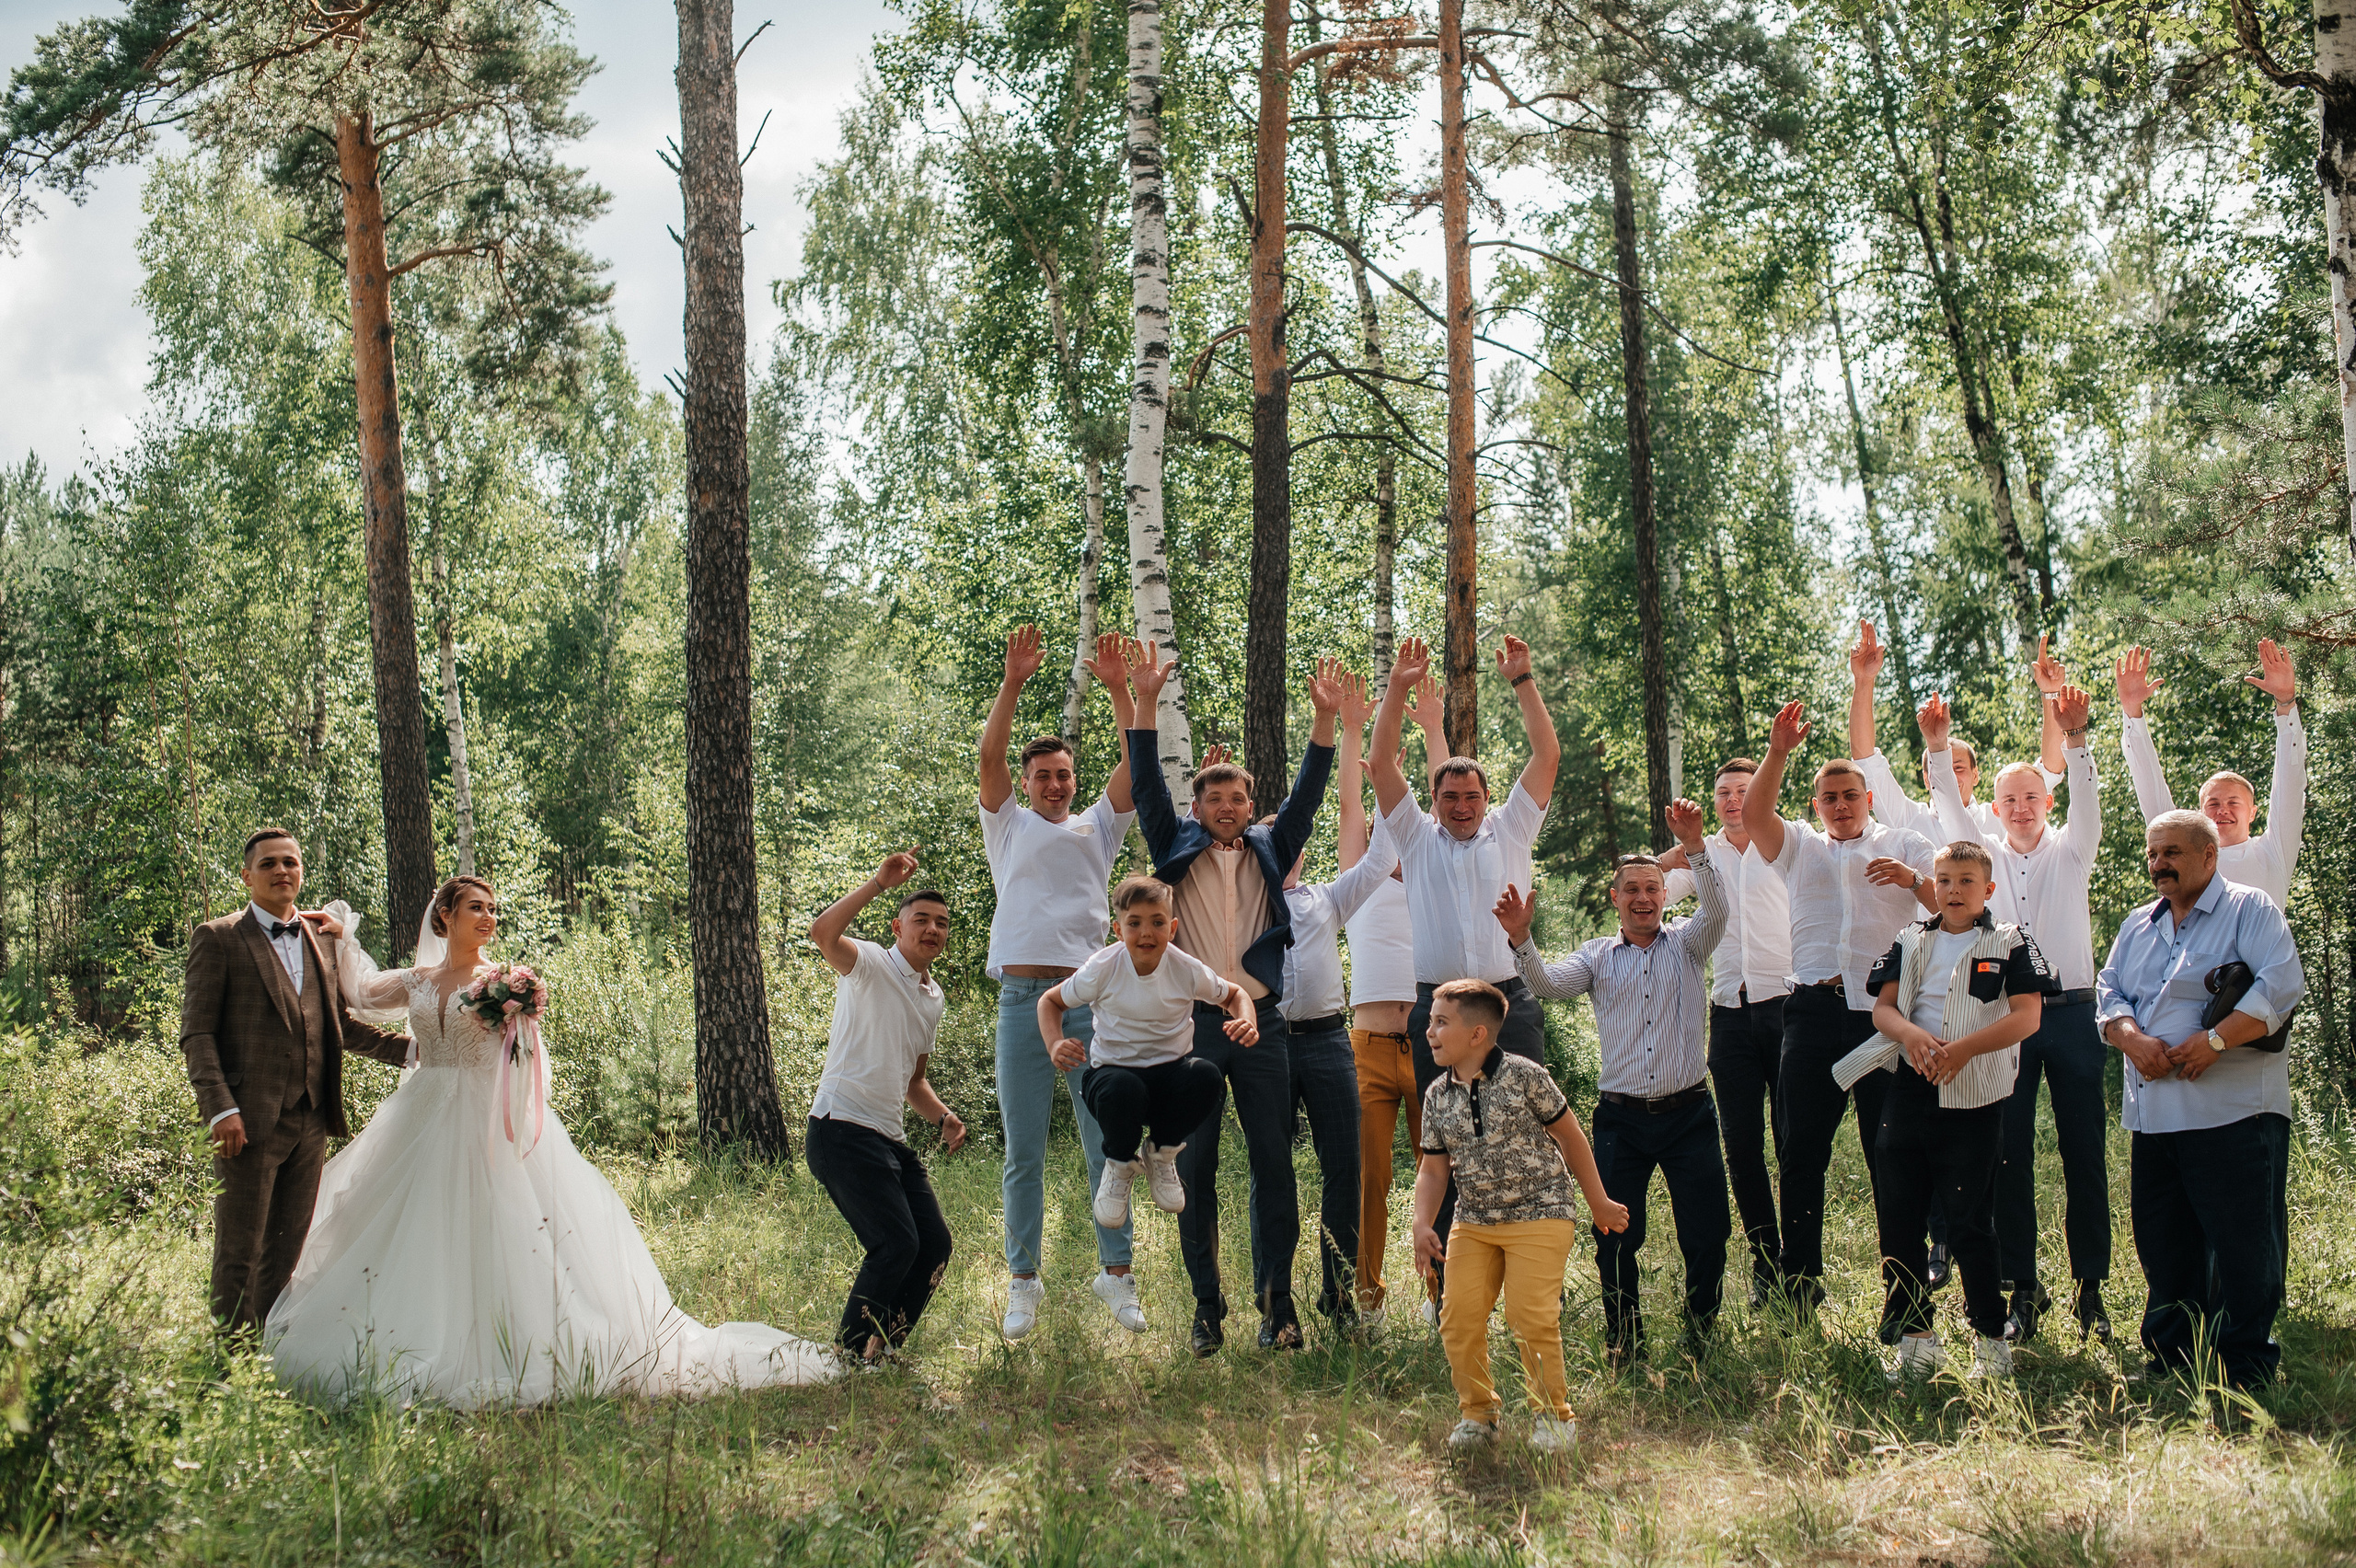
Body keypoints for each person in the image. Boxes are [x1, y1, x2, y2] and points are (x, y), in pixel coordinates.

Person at [265, 878, 837, 1405]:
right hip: (422, 1116)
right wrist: (342, 936)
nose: (488, 917)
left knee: (504, 1228)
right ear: (445, 916)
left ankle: (509, 1343)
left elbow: (526, 1066)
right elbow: (361, 992)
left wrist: (513, 1094)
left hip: (489, 1120)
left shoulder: (505, 983)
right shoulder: (416, 981)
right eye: (475, 909)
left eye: (492, 909)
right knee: (416, 1226)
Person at [1124, 641, 1340, 1355]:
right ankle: (1205, 1307)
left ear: (1252, 808)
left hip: (1262, 1025)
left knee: (1274, 1164)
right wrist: (1146, 703)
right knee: (1195, 1168)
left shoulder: (1271, 850)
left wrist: (1325, 723)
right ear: (1199, 807)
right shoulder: (1173, 843)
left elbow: (1307, 795)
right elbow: (1148, 786)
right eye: (1213, 799)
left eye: (1237, 799)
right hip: (1189, 1029)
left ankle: (1278, 1307)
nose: (1225, 808)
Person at [1368, 634, 1564, 1301]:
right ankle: (1447, 1294)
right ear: (1435, 797)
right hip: (1441, 1009)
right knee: (1444, 1146)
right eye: (1448, 795)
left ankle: (1534, 1286)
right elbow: (1377, 763)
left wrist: (1524, 680)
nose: (1460, 805)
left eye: (1470, 794)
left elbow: (1547, 754)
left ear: (1485, 797)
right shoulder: (1415, 840)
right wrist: (1397, 688)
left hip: (1510, 1003)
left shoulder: (1512, 829)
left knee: (1526, 1134)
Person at [1499, 799, 1729, 1365]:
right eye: (1633, 889)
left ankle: (1700, 1335)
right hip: (1621, 1120)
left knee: (1707, 1233)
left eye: (1653, 888)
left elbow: (1719, 911)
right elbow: (1549, 986)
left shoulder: (1688, 944)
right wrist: (1522, 939)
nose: (1645, 898)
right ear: (1616, 898)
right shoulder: (1598, 956)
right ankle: (1625, 1341)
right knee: (1615, 1236)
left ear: (1665, 894)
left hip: (1690, 1114)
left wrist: (1696, 848)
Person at [1917, 684, 2111, 1343]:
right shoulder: (1986, 858)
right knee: (2008, 1156)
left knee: (2085, 1151)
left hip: (2075, 1017)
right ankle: (2023, 1286)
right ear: (1994, 811)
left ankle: (2092, 1289)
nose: (2022, 808)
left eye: (2032, 797)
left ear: (2047, 802)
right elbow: (1950, 810)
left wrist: (2077, 740)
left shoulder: (2072, 849)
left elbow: (2087, 804)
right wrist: (1938, 750)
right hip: (2010, 1022)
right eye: (2009, 800)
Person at [1741, 700, 1939, 1308]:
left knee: (1893, 1153)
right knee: (1801, 1151)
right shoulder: (1798, 847)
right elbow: (1753, 814)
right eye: (1829, 797)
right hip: (1813, 1014)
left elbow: (1952, 907)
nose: (1841, 805)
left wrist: (1911, 880)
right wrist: (1777, 751)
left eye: (1850, 794)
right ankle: (1800, 1285)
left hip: (1885, 1019)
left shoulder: (1907, 843)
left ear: (1868, 798)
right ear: (1815, 806)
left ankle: (1904, 1294)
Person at [2098, 810, 2304, 1389]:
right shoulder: (2138, 924)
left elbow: (2281, 983)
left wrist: (2215, 1040)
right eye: (2153, 853)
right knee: (2164, 1245)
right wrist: (2130, 1037)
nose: (2158, 864)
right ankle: (2172, 1361)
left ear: (2209, 856)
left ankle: (2246, 1368)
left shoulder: (2250, 908)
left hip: (2234, 1108)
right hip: (2155, 1111)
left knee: (2243, 1246)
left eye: (2173, 853)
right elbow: (2107, 988)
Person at [178, 827, 413, 1335]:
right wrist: (221, 1109)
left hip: (311, 1118)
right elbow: (197, 1035)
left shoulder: (321, 939)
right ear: (246, 876)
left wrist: (415, 1051)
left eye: (290, 862)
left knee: (286, 1246)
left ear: (301, 871)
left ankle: (265, 1350)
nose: (282, 871)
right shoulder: (217, 938)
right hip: (247, 1120)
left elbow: (340, 1025)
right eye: (269, 864)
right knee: (239, 1248)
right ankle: (229, 1363)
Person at [976, 627, 1143, 1340]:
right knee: (1024, 1153)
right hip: (1021, 1006)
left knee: (1108, 1145)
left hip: (1086, 1003)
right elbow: (988, 756)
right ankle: (1023, 1283)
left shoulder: (1098, 830)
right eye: (1041, 774)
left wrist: (1117, 690)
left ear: (1074, 781)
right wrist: (1012, 682)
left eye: (1063, 775)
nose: (1053, 784)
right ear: (1025, 781)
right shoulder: (1006, 825)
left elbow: (1137, 767)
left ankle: (1117, 1276)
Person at [1854, 841, 2052, 1383]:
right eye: (1944, 880)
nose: (1953, 891)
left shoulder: (2009, 942)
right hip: (1910, 1089)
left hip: (1975, 1095)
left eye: (1966, 881)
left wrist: (1962, 1050)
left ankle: (1990, 1338)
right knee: (1898, 1217)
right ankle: (1918, 1341)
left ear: (1988, 889)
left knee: (1970, 1223)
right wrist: (1913, 1036)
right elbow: (1884, 1009)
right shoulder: (1911, 938)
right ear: (1933, 886)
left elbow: (2028, 1016)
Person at [1412, 980, 1630, 1453]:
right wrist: (1423, 1224)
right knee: (1458, 1316)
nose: (1429, 1031)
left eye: (1441, 1022)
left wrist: (1599, 1203)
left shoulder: (1525, 1076)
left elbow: (1571, 1139)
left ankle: (1553, 1418)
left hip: (1541, 1210)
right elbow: (1432, 1168)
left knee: (1528, 1315)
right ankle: (1478, 1415)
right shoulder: (1436, 1096)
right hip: (1475, 1221)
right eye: (1430, 1021)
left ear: (1477, 1033)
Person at [1274, 681, 1404, 1331]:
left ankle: (1339, 1297)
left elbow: (1384, 850)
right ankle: (1277, 1307)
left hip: (1328, 1041)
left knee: (1344, 1172)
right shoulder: (1238, 903)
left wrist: (1383, 772)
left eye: (1292, 842)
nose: (1287, 852)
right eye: (1274, 840)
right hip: (1266, 1043)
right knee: (1273, 1175)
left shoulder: (1330, 897)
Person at [804, 852, 965, 1361]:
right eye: (921, 919)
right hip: (841, 1129)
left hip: (888, 1138)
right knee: (895, 1245)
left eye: (942, 923)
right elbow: (822, 934)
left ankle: (883, 1349)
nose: (932, 929)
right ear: (898, 926)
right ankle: (848, 1357)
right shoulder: (870, 962)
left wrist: (943, 1116)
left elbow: (913, 1080)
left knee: (934, 1245)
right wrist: (877, 882)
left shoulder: (932, 996)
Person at [1654, 758, 1795, 1309]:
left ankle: (1800, 1264)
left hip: (1786, 1005)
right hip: (1729, 1013)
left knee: (1792, 1143)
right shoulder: (1703, 856)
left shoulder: (1784, 843)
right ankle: (1765, 1263)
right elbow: (1647, 882)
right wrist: (1690, 844)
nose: (1734, 800)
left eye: (1743, 791)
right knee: (1740, 1146)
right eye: (1724, 794)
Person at [1039, 876, 1248, 1230]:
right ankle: (1119, 1165)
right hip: (1112, 1078)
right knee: (1125, 1088)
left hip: (1170, 1075)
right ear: (1118, 930)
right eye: (1134, 923)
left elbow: (1235, 994)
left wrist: (1246, 1019)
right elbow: (1051, 1001)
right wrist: (1055, 1043)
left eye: (1157, 922)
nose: (1146, 933)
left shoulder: (1185, 968)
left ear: (1173, 927)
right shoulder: (1102, 969)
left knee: (1208, 1076)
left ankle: (1161, 1152)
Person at [1342, 670, 1444, 1320]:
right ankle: (1368, 1298)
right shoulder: (1362, 873)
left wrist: (1433, 726)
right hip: (1368, 1047)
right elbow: (1355, 807)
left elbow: (1450, 792)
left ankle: (1444, 1295)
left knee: (1442, 1173)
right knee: (1370, 1181)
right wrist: (1354, 730)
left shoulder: (1439, 865)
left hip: (1435, 1042)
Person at [2115, 639, 2305, 912]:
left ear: (2252, 813)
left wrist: (2286, 702)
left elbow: (2291, 785)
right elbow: (2151, 793)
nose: (2223, 810)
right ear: (2200, 814)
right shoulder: (2187, 857)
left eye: (2234, 802)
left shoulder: (2273, 853)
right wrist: (2132, 713)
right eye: (2213, 803)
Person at [1846, 620, 2063, 842]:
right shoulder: (1908, 820)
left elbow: (2050, 768)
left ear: (1976, 774)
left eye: (1958, 767)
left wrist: (2051, 694)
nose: (1948, 774)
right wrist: (1863, 681)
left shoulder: (2004, 814)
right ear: (1926, 778)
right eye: (1941, 767)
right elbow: (1866, 760)